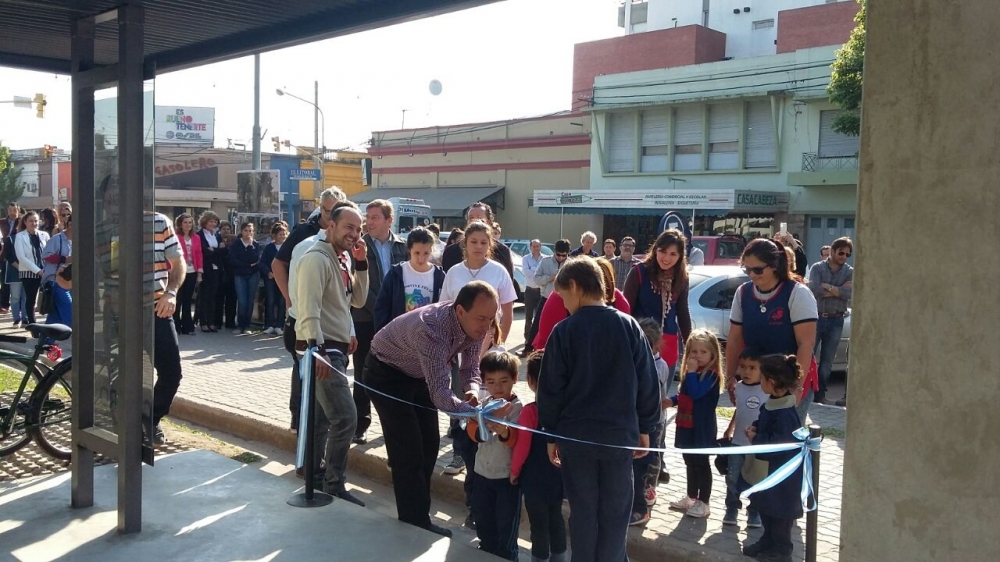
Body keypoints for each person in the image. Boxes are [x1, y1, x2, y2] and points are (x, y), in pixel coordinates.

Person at [537, 257, 659, 562]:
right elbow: (648, 383)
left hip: (576, 439)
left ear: (575, 287)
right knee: (616, 511)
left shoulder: (564, 332)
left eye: (563, 296)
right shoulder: (629, 325)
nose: (564, 304)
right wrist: (646, 428)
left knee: (583, 510)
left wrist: (550, 434)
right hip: (619, 438)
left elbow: (550, 390)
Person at [364, 281, 508, 538]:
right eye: (482, 319)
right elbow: (441, 396)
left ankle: (419, 514)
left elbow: (470, 369)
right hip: (385, 373)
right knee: (408, 450)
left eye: (491, 318)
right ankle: (414, 522)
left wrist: (472, 392)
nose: (486, 327)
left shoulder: (474, 326)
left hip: (418, 375)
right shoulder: (431, 329)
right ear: (461, 311)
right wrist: (478, 414)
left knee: (430, 443)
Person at [293, 202, 369, 506]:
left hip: (335, 348)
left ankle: (314, 475)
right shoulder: (316, 259)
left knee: (322, 419)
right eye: (349, 226)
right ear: (331, 225)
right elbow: (307, 308)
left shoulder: (343, 258)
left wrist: (361, 263)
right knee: (346, 418)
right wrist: (317, 350)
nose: (354, 233)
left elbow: (358, 301)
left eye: (359, 228)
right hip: (322, 351)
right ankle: (333, 482)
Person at [439, 220, 516, 516]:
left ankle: (490, 467)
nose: (479, 247)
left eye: (484, 242)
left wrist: (498, 345)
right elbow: (445, 310)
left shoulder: (498, 272)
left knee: (490, 410)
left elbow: (507, 312)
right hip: (459, 352)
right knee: (464, 413)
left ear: (490, 244)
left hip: (488, 353)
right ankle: (464, 458)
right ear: (465, 244)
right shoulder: (455, 273)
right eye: (474, 242)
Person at [271, 187, 348, 430]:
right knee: (303, 372)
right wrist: (290, 298)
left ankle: (314, 435)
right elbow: (277, 264)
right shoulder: (305, 234)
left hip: (331, 323)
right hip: (303, 321)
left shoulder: (346, 239)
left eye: (334, 212)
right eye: (326, 212)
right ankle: (300, 423)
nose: (329, 218)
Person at [724, 239, 818, 425]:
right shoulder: (743, 292)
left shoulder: (798, 293)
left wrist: (796, 387)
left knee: (784, 440)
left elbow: (805, 344)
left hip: (790, 379)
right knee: (753, 437)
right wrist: (730, 377)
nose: (751, 275)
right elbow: (734, 339)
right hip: (757, 379)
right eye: (746, 269)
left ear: (774, 266)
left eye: (757, 270)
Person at [351, 199, 409, 445]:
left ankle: (393, 425)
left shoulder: (403, 247)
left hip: (397, 322)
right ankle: (360, 425)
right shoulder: (358, 246)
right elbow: (357, 282)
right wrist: (380, 310)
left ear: (389, 220)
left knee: (395, 374)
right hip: (366, 318)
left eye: (375, 217)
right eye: (368, 216)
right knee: (363, 373)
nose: (369, 221)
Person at [740, 354, 805, 562]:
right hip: (768, 472)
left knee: (779, 515)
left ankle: (782, 550)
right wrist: (756, 427)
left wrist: (757, 437)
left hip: (781, 477)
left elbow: (779, 443)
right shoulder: (773, 403)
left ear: (773, 381)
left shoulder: (786, 413)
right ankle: (767, 541)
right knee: (767, 509)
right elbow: (764, 420)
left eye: (763, 376)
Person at [465, 351, 523, 561]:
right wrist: (482, 425)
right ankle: (487, 550)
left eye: (504, 381)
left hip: (507, 478)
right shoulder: (483, 405)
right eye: (491, 382)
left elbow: (520, 442)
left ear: (515, 379)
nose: (498, 387)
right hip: (482, 474)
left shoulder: (518, 408)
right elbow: (472, 433)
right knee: (483, 518)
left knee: (506, 525)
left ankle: (507, 556)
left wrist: (505, 431)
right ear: (484, 382)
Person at [510, 350, 567, 562]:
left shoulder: (530, 412)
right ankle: (560, 558)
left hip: (534, 481)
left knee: (539, 525)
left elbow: (522, 447)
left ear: (531, 381)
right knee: (556, 518)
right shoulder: (566, 412)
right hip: (558, 478)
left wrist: (514, 472)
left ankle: (540, 559)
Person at [664, 329, 723, 519]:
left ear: (713, 354)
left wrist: (690, 372)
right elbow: (685, 394)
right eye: (694, 352)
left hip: (702, 428)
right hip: (686, 426)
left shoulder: (711, 375)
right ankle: (691, 496)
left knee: (701, 463)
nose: (697, 356)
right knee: (689, 461)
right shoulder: (692, 373)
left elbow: (697, 392)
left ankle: (703, 502)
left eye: (703, 352)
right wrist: (672, 401)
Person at [623, 228, 693, 379]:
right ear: (655, 250)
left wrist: (691, 345)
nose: (666, 258)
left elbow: (682, 313)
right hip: (641, 342)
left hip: (669, 344)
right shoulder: (639, 272)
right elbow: (625, 310)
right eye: (663, 251)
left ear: (680, 256)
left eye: (673, 254)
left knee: (662, 399)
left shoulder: (682, 278)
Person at [721, 346, 767, 529]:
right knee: (732, 477)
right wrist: (729, 429)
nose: (746, 371)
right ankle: (732, 507)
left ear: (761, 369)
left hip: (756, 446)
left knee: (756, 478)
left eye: (752, 367)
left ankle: (754, 510)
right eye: (743, 366)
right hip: (737, 443)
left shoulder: (766, 390)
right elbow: (739, 411)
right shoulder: (738, 389)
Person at [807, 237, 854, 405]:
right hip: (817, 317)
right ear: (833, 251)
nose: (844, 257)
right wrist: (839, 290)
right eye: (841, 253)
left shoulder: (849, 271)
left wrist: (828, 287)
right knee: (808, 356)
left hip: (836, 319)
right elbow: (813, 290)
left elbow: (850, 294)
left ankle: (820, 395)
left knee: (827, 361)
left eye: (847, 254)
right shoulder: (818, 268)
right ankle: (806, 393)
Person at [373, 226, 445, 331]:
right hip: (398, 337)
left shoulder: (439, 276)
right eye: (417, 253)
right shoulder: (396, 273)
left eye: (426, 253)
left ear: (432, 250)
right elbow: (381, 308)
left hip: (428, 338)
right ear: (409, 250)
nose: (421, 258)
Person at [634, 317, 670, 516]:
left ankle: (648, 490)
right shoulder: (641, 362)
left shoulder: (658, 366)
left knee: (652, 455)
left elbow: (651, 394)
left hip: (654, 420)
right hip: (647, 419)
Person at [441, 202, 514, 280]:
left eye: (479, 218)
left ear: (489, 222)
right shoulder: (451, 252)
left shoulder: (502, 252)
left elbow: (509, 284)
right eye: (471, 218)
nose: (475, 221)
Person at [523, 239, 570, 356]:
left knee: (567, 324)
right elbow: (536, 279)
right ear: (555, 252)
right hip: (546, 298)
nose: (560, 257)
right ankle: (528, 347)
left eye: (563, 255)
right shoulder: (545, 261)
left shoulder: (571, 264)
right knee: (537, 322)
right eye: (558, 254)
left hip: (566, 301)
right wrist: (550, 278)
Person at [41, 213, 72, 345]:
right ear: (68, 224)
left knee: (55, 315)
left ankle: (45, 341)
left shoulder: (80, 240)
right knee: (70, 310)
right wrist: (64, 259)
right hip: (54, 282)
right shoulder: (57, 239)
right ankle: (79, 341)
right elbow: (45, 256)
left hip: (69, 283)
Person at [14, 211, 50, 325]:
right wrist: (38, 271)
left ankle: (49, 322)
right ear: (25, 222)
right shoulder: (20, 236)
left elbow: (49, 252)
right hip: (29, 273)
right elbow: (21, 257)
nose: (34, 223)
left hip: (45, 271)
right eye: (31, 221)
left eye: (36, 221)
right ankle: (33, 325)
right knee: (31, 299)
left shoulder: (44, 235)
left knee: (48, 296)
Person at [172, 213, 203, 335]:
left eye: (190, 222)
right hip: (179, 271)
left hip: (192, 271)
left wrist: (200, 272)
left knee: (187, 300)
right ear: (180, 224)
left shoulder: (196, 238)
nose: (188, 225)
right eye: (185, 222)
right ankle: (176, 326)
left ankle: (188, 327)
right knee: (178, 298)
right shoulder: (176, 237)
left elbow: (199, 254)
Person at [229, 222, 261, 335]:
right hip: (240, 274)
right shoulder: (236, 244)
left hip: (253, 274)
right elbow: (233, 260)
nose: (248, 233)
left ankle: (247, 325)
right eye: (246, 230)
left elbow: (256, 259)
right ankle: (240, 325)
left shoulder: (255, 244)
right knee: (242, 301)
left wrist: (251, 246)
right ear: (241, 231)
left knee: (250, 300)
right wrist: (246, 265)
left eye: (250, 231)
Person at [258, 221, 288, 335]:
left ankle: (279, 325)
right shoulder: (269, 247)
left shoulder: (287, 247)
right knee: (270, 301)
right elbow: (262, 263)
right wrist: (268, 272)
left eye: (284, 234)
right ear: (274, 235)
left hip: (283, 279)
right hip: (270, 278)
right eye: (280, 234)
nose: (282, 236)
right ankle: (269, 325)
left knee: (282, 301)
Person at [197, 211, 223, 333]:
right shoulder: (199, 235)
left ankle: (211, 322)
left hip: (216, 269)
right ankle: (203, 322)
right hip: (205, 269)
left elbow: (223, 251)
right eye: (211, 221)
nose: (213, 224)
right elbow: (204, 252)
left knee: (213, 296)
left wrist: (214, 250)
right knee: (204, 297)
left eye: (215, 222)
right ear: (205, 222)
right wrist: (216, 251)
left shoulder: (217, 235)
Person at [519, 239, 544, 357]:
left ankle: (536, 341)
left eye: (538, 246)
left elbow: (544, 273)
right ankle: (527, 340)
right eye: (534, 246)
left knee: (539, 317)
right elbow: (526, 272)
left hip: (541, 291)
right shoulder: (525, 259)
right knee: (528, 317)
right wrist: (539, 273)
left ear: (540, 246)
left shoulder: (544, 259)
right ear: (530, 247)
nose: (536, 248)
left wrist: (535, 271)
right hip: (529, 291)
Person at [214, 221, 237, 330]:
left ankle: (230, 322)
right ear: (220, 230)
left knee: (231, 299)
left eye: (228, 229)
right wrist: (221, 249)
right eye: (224, 229)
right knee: (219, 299)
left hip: (232, 273)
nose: (226, 231)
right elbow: (216, 253)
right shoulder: (216, 240)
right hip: (220, 273)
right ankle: (217, 321)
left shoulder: (234, 241)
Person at [0, 202, 22, 313]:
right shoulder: (2, 222)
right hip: (4, 255)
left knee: (18, 283)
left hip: (18, 255)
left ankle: (20, 306)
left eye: (14, 210)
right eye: (10, 210)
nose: (12, 213)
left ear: (18, 210)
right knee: (4, 281)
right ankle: (4, 304)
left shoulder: (22, 222)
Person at [3, 215, 23, 326]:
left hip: (29, 272)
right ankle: (16, 318)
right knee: (15, 296)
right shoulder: (11, 239)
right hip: (14, 272)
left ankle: (25, 318)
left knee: (26, 297)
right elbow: (9, 256)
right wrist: (19, 267)